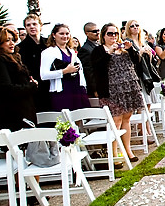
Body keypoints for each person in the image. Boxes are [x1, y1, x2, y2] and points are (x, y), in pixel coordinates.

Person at [91, 23, 143, 163]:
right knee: (116, 120)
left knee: (126, 119)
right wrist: (109, 52)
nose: (113, 36)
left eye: (115, 33)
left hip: (127, 87)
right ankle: (114, 154)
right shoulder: (99, 50)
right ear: (103, 35)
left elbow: (137, 62)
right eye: (110, 34)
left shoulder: (124, 48)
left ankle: (128, 150)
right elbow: (98, 67)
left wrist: (131, 49)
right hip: (111, 90)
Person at [0, 25, 38, 132]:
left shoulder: (12, 57)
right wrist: (31, 86)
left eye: (12, 40)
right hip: (11, 114)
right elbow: (6, 89)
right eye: (7, 40)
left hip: (23, 109)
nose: (12, 43)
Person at [40, 23, 90, 111]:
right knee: (65, 121)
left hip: (76, 89)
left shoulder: (71, 51)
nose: (65, 36)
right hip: (62, 91)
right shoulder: (48, 52)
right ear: (54, 35)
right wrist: (64, 71)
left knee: (79, 118)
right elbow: (43, 75)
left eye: (67, 34)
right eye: (61, 34)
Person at [18, 13, 49, 111]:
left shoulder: (49, 44)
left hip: (52, 86)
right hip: (35, 89)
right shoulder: (20, 48)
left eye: (34, 24)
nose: (32, 27)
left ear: (40, 26)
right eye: (28, 25)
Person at [78, 22, 100, 96]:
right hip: (95, 88)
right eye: (94, 31)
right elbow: (88, 72)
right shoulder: (85, 49)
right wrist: (95, 89)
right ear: (87, 33)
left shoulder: (99, 45)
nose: (97, 33)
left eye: (98, 30)